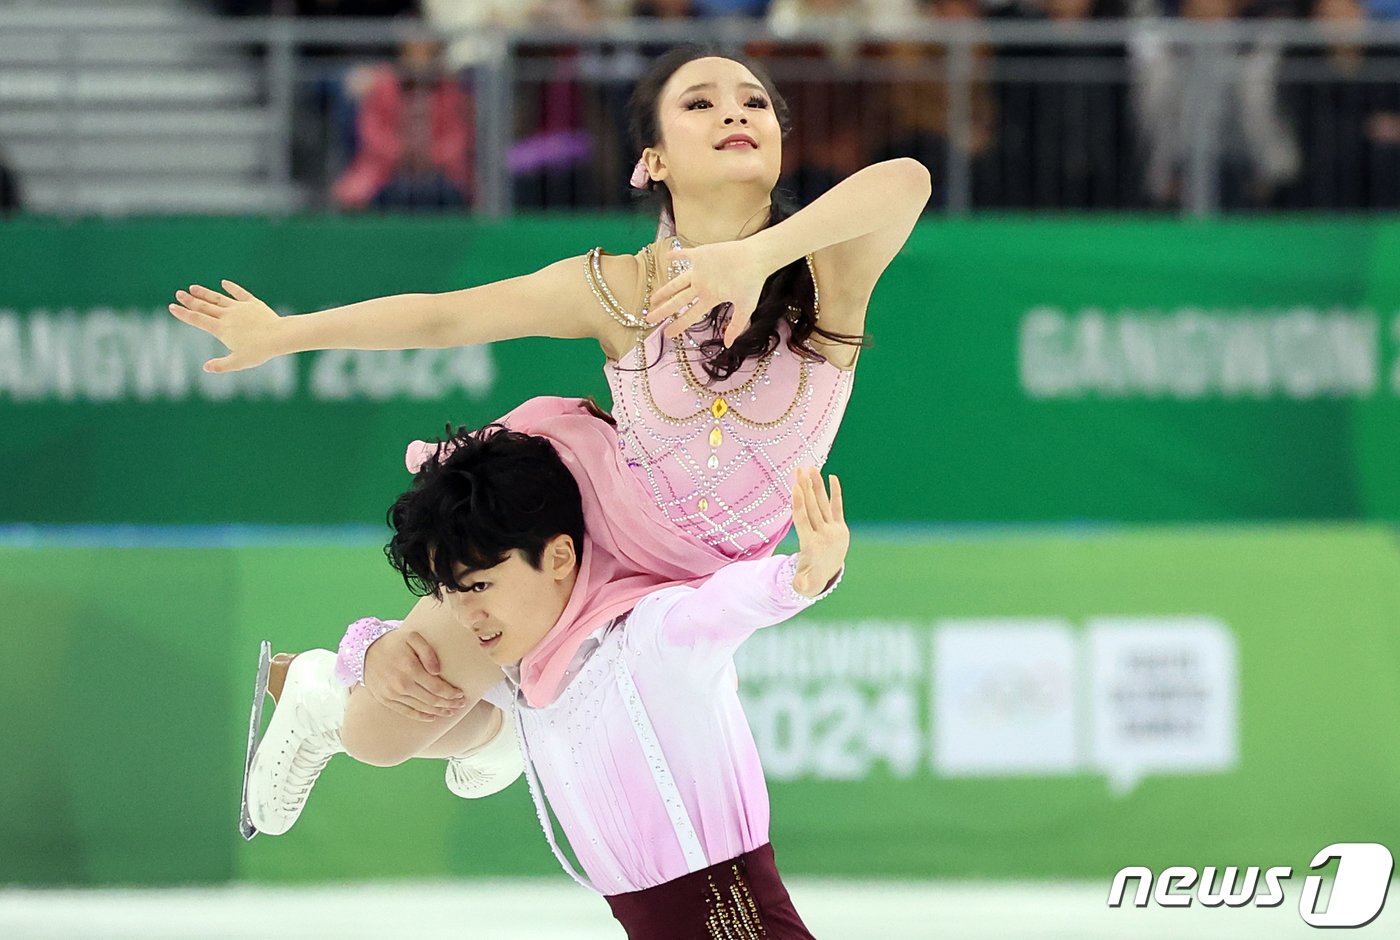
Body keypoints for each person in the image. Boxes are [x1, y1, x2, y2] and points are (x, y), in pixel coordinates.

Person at [168, 45, 929, 832]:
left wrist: (753, 258)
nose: (735, 112)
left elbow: (908, 180)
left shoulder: (826, 276)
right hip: (581, 538)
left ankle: (502, 724)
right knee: (387, 729)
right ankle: (325, 693)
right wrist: (284, 333)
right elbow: (444, 316)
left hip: (686, 588)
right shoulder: (618, 288)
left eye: (754, 102)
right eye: (699, 103)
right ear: (653, 158)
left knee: (506, 721)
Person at [382, 418, 850, 937]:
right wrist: (369, 650)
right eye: (449, 593)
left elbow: (720, 605)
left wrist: (800, 577)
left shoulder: (646, 641)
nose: (466, 615)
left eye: (480, 585)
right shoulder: (527, 677)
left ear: (559, 556)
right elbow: (420, 673)